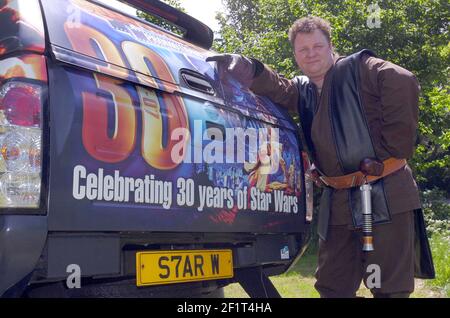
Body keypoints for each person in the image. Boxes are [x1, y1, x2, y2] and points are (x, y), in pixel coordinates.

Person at [207, 16, 434, 298]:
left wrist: (395, 148)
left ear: (330, 46)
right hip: (338, 199)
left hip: (385, 190)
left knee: (388, 288)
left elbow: (402, 79)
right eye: (303, 49)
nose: (311, 53)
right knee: (332, 286)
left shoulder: (360, 69)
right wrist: (249, 67)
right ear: (295, 54)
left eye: (317, 46)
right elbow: (277, 87)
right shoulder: (302, 90)